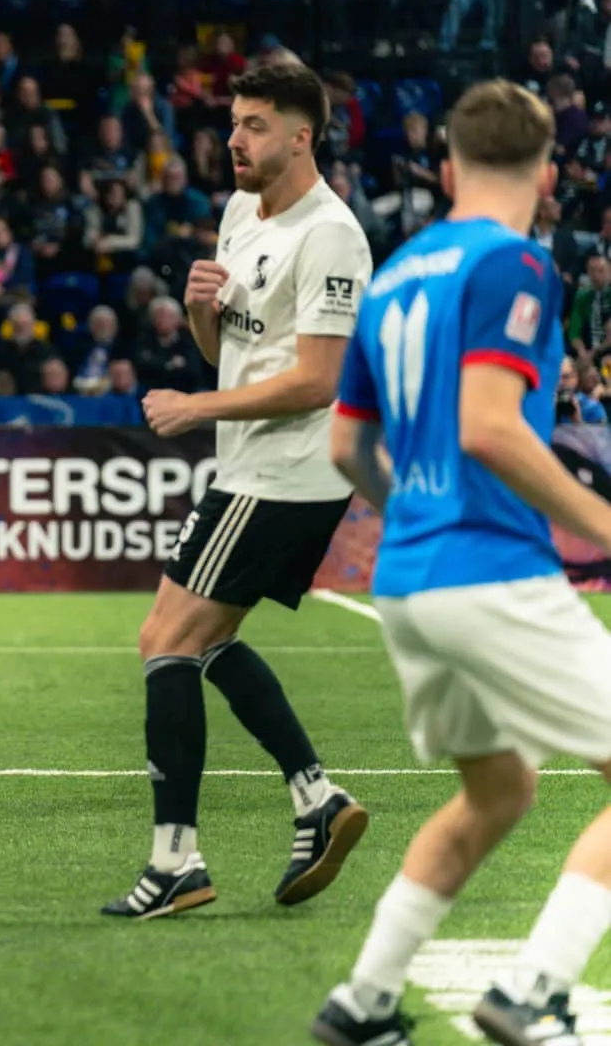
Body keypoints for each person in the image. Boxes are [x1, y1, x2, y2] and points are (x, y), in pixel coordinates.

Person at [314, 79, 611, 1046]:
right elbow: (490, 427)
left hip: (409, 579)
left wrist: (417, 513)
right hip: (488, 571)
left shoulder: (398, 272)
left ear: (447, 169)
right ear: (549, 174)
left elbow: (347, 449)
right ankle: (532, 991)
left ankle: (363, 1003)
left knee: (499, 791)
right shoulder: (515, 264)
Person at [105, 61, 375, 919]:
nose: (234, 140)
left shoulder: (331, 236)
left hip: (287, 471)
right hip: (254, 464)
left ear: (302, 136)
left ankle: (175, 862)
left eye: (254, 125)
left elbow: (319, 381)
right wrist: (201, 312)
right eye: (233, 123)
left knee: (166, 639)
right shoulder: (237, 213)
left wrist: (196, 407)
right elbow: (230, 355)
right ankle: (316, 799)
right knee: (207, 638)